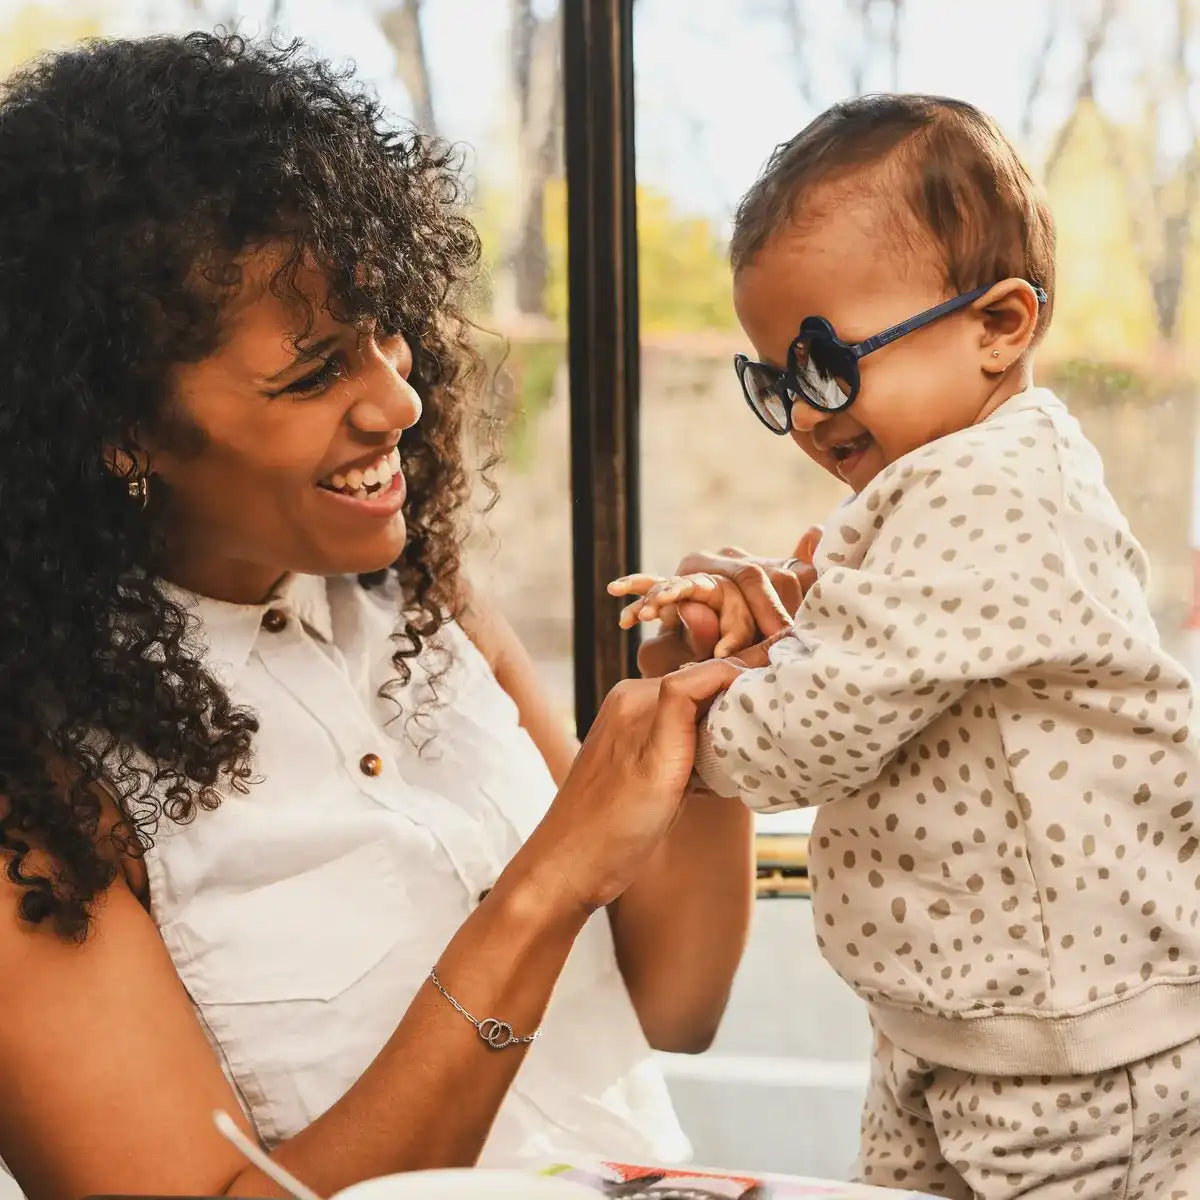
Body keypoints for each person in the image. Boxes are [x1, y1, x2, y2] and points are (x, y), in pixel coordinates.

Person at [0, 33, 758, 1200]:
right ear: (120, 432)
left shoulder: (425, 614)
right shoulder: (38, 798)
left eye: (388, 328)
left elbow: (677, 1003)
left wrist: (701, 725)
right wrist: (547, 882)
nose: (397, 397)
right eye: (312, 375)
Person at [611, 95, 1200, 1198]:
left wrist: (688, 706)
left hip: (1070, 1059)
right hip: (959, 1028)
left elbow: (820, 730)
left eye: (827, 364)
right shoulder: (935, 491)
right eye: (774, 381)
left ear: (1000, 326)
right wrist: (784, 616)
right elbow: (886, 669)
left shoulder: (988, 485)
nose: (804, 414)